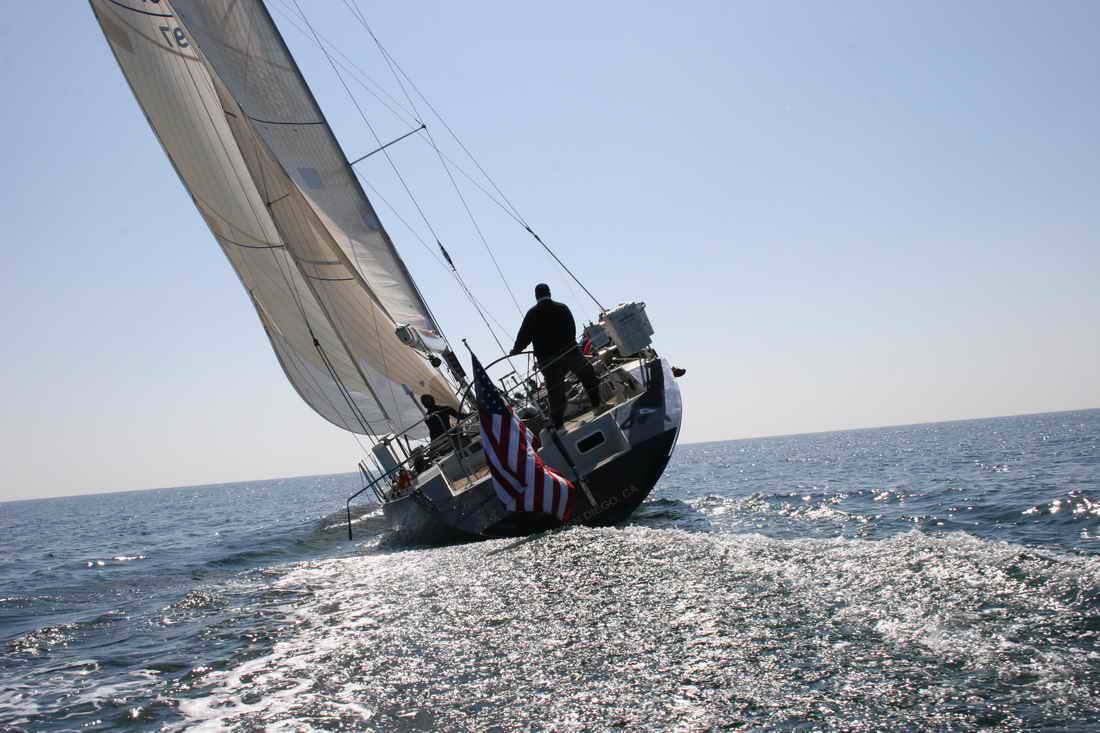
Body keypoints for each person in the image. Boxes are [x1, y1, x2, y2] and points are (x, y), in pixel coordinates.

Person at [510, 283, 601, 430]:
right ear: (549, 293)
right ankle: (597, 406)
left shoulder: (531, 314)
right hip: (570, 352)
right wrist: (567, 344)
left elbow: (524, 337)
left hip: (548, 361)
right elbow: (572, 328)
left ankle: (559, 426)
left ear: (536, 296)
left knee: (555, 392)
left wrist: (515, 350)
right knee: (587, 375)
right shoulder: (562, 308)